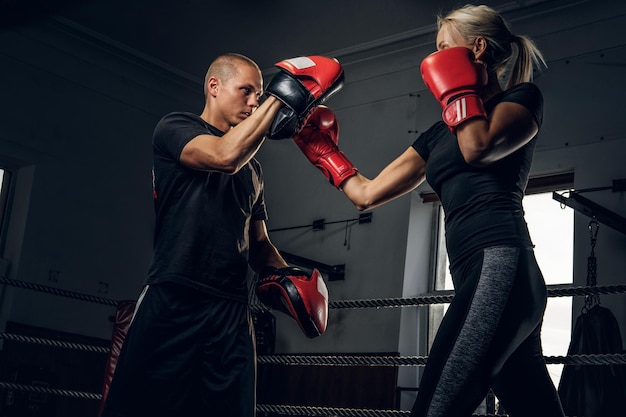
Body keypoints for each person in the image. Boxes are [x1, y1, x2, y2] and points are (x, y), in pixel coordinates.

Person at [292, 4, 566, 417]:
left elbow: (478, 149)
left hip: (501, 266)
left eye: (442, 47)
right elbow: (365, 194)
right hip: (482, 278)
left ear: (476, 48)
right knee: (535, 408)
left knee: (436, 408)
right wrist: (321, 149)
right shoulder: (439, 133)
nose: (433, 58)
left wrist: (459, 89)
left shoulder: (522, 100)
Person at [99, 52, 341, 417]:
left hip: (231, 311)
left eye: (259, 94)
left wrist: (292, 283)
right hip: (174, 296)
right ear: (214, 87)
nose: (254, 101)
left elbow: (259, 246)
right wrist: (283, 95)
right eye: (246, 91)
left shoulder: (254, 169)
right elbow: (224, 156)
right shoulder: (175, 128)